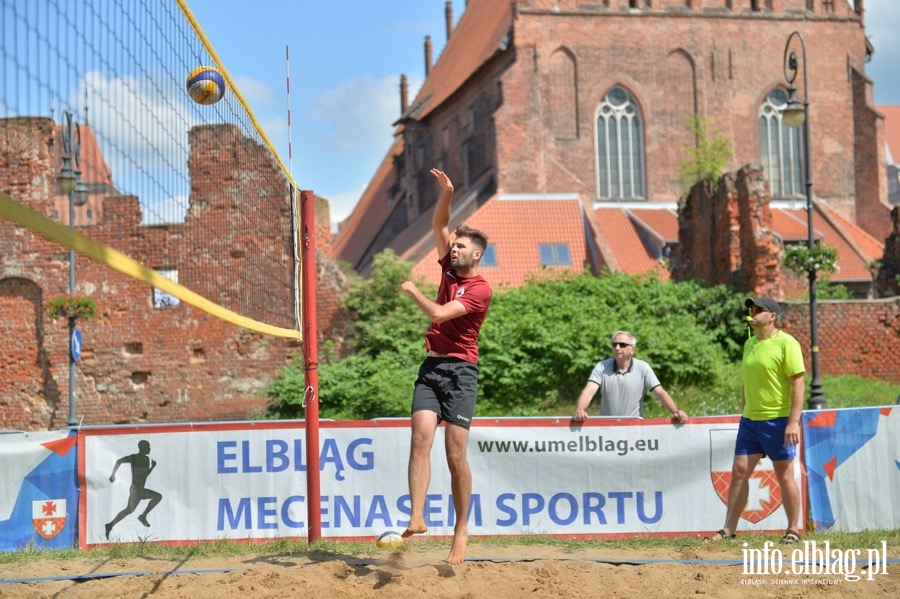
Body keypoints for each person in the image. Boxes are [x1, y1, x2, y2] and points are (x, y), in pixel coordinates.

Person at [397, 168, 492, 565]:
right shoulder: (448, 269)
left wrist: (413, 289)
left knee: (456, 456)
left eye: (462, 246)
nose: (454, 249)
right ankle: (417, 517)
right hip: (431, 369)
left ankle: (461, 531)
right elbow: (440, 222)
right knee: (420, 438)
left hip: (461, 373)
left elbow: (438, 315)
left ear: (477, 254)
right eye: (454, 245)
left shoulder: (480, 289)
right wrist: (448, 192)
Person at [709, 297, 805, 544]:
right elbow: (747, 382)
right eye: (750, 309)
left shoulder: (787, 343)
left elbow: (798, 383)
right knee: (739, 471)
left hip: (778, 419)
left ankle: (793, 529)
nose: (752, 313)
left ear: (772, 316)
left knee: (784, 475)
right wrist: (744, 408)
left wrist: (793, 422)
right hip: (750, 420)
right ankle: (728, 529)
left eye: (757, 309)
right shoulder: (749, 344)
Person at [572, 331, 687, 423]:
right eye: (614, 344)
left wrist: (676, 412)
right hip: (606, 428)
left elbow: (660, 393)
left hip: (633, 429)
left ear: (632, 349)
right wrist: (580, 410)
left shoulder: (643, 368)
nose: (617, 348)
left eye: (622, 345)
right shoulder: (601, 366)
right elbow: (588, 392)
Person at [104, 439, 163, 540]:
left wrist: (152, 467)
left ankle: (142, 516)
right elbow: (119, 461)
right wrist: (113, 474)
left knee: (157, 497)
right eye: (148, 447)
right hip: (135, 490)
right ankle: (110, 525)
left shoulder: (146, 460)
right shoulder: (133, 457)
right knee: (129, 510)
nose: (149, 449)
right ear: (142, 448)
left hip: (141, 489)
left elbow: (145, 475)